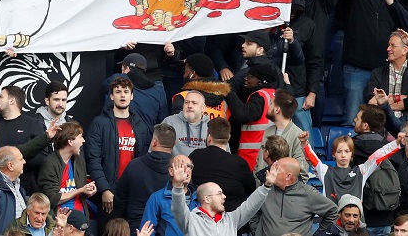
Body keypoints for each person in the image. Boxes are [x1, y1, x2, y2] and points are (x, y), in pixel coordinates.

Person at [85, 77, 153, 221]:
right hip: (109, 194)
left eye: (126, 92)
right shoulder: (99, 123)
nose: (122, 95)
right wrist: (105, 189)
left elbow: (145, 160)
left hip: (134, 194)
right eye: (118, 91)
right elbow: (93, 160)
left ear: (132, 96)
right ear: (111, 96)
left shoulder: (141, 125)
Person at [169, 155, 277, 236]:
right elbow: (178, 209)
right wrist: (178, 185)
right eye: (219, 193)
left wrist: (266, 186)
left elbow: (250, 205)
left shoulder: (231, 219)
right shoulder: (191, 220)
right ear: (207, 199)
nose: (224, 197)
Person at [299, 130, 399, 204]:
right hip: (333, 223)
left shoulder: (361, 171)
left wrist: (397, 143)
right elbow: (313, 159)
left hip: (356, 226)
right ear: (333, 154)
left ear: (352, 154)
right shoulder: (326, 171)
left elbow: (379, 155)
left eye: (347, 151)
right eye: (339, 151)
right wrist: (304, 144)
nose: (343, 155)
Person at [253, 157, 338, 236]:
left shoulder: (308, 193)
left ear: (288, 176)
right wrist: (257, 232)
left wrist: (319, 234)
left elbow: (333, 211)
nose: (271, 172)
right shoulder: (265, 189)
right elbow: (252, 211)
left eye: (276, 169)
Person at [113, 124, 175, 231]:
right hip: (168, 227)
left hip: (137, 226)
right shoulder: (179, 171)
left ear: (154, 142)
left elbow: (119, 200)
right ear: (174, 144)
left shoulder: (134, 165)